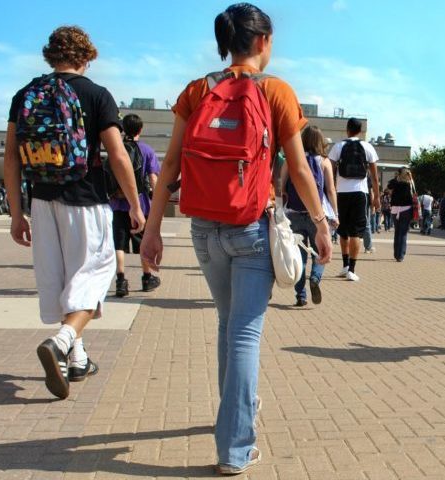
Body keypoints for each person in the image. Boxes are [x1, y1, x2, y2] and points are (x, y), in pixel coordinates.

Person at [138, 4, 332, 474]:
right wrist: (322, 222)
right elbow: (299, 168)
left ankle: (234, 417)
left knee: (228, 325)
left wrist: (152, 228)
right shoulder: (277, 91)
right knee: (244, 332)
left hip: (203, 229)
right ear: (263, 40)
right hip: (251, 227)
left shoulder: (197, 89)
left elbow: (170, 165)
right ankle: (235, 448)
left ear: (225, 43)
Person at [2, 26, 145, 399]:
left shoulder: (26, 95)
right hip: (85, 200)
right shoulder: (96, 95)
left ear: (51, 56)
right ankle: (62, 340)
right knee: (94, 276)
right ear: (87, 56)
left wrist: (17, 213)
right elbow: (116, 154)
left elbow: (11, 158)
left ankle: (76, 359)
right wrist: (134, 203)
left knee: (65, 282)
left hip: (42, 201)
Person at [281, 126, 337, 307]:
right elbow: (330, 190)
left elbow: (282, 185)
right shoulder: (325, 162)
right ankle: (315, 278)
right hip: (316, 215)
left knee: (299, 257)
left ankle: (301, 296)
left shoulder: (292, 159)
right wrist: (334, 214)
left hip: (293, 214)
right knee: (321, 252)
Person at [110, 114, 161, 297]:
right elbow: (153, 177)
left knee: (119, 244)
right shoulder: (146, 150)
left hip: (117, 204)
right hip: (141, 206)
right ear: (140, 129)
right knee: (142, 243)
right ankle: (147, 278)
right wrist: (156, 200)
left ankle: (121, 281)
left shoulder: (116, 149)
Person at [328, 118, 379, 282]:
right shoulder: (368, 147)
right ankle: (352, 269)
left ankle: (344, 266)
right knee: (356, 232)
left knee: (342, 231)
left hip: (341, 193)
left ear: (347, 129)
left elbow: (330, 171)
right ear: (360, 130)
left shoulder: (338, 146)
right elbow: (375, 177)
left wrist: (329, 193)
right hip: (360, 193)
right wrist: (376, 197)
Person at [387, 168, 416, 261]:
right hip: (406, 209)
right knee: (403, 233)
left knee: (397, 231)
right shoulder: (409, 183)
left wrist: (397, 178)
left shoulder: (395, 182)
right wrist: (410, 178)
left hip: (395, 210)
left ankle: (396, 254)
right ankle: (400, 256)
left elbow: (389, 186)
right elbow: (414, 193)